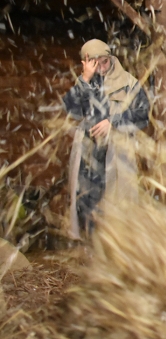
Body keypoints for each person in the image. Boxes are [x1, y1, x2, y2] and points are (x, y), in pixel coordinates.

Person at [63, 39, 149, 239]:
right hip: (88, 150)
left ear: (111, 58)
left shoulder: (129, 83)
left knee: (117, 199)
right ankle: (90, 248)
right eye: (95, 63)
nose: (101, 67)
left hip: (117, 151)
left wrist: (114, 123)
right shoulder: (84, 82)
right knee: (86, 199)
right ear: (86, 62)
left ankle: (115, 249)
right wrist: (85, 79)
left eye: (104, 61)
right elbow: (71, 110)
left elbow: (143, 115)